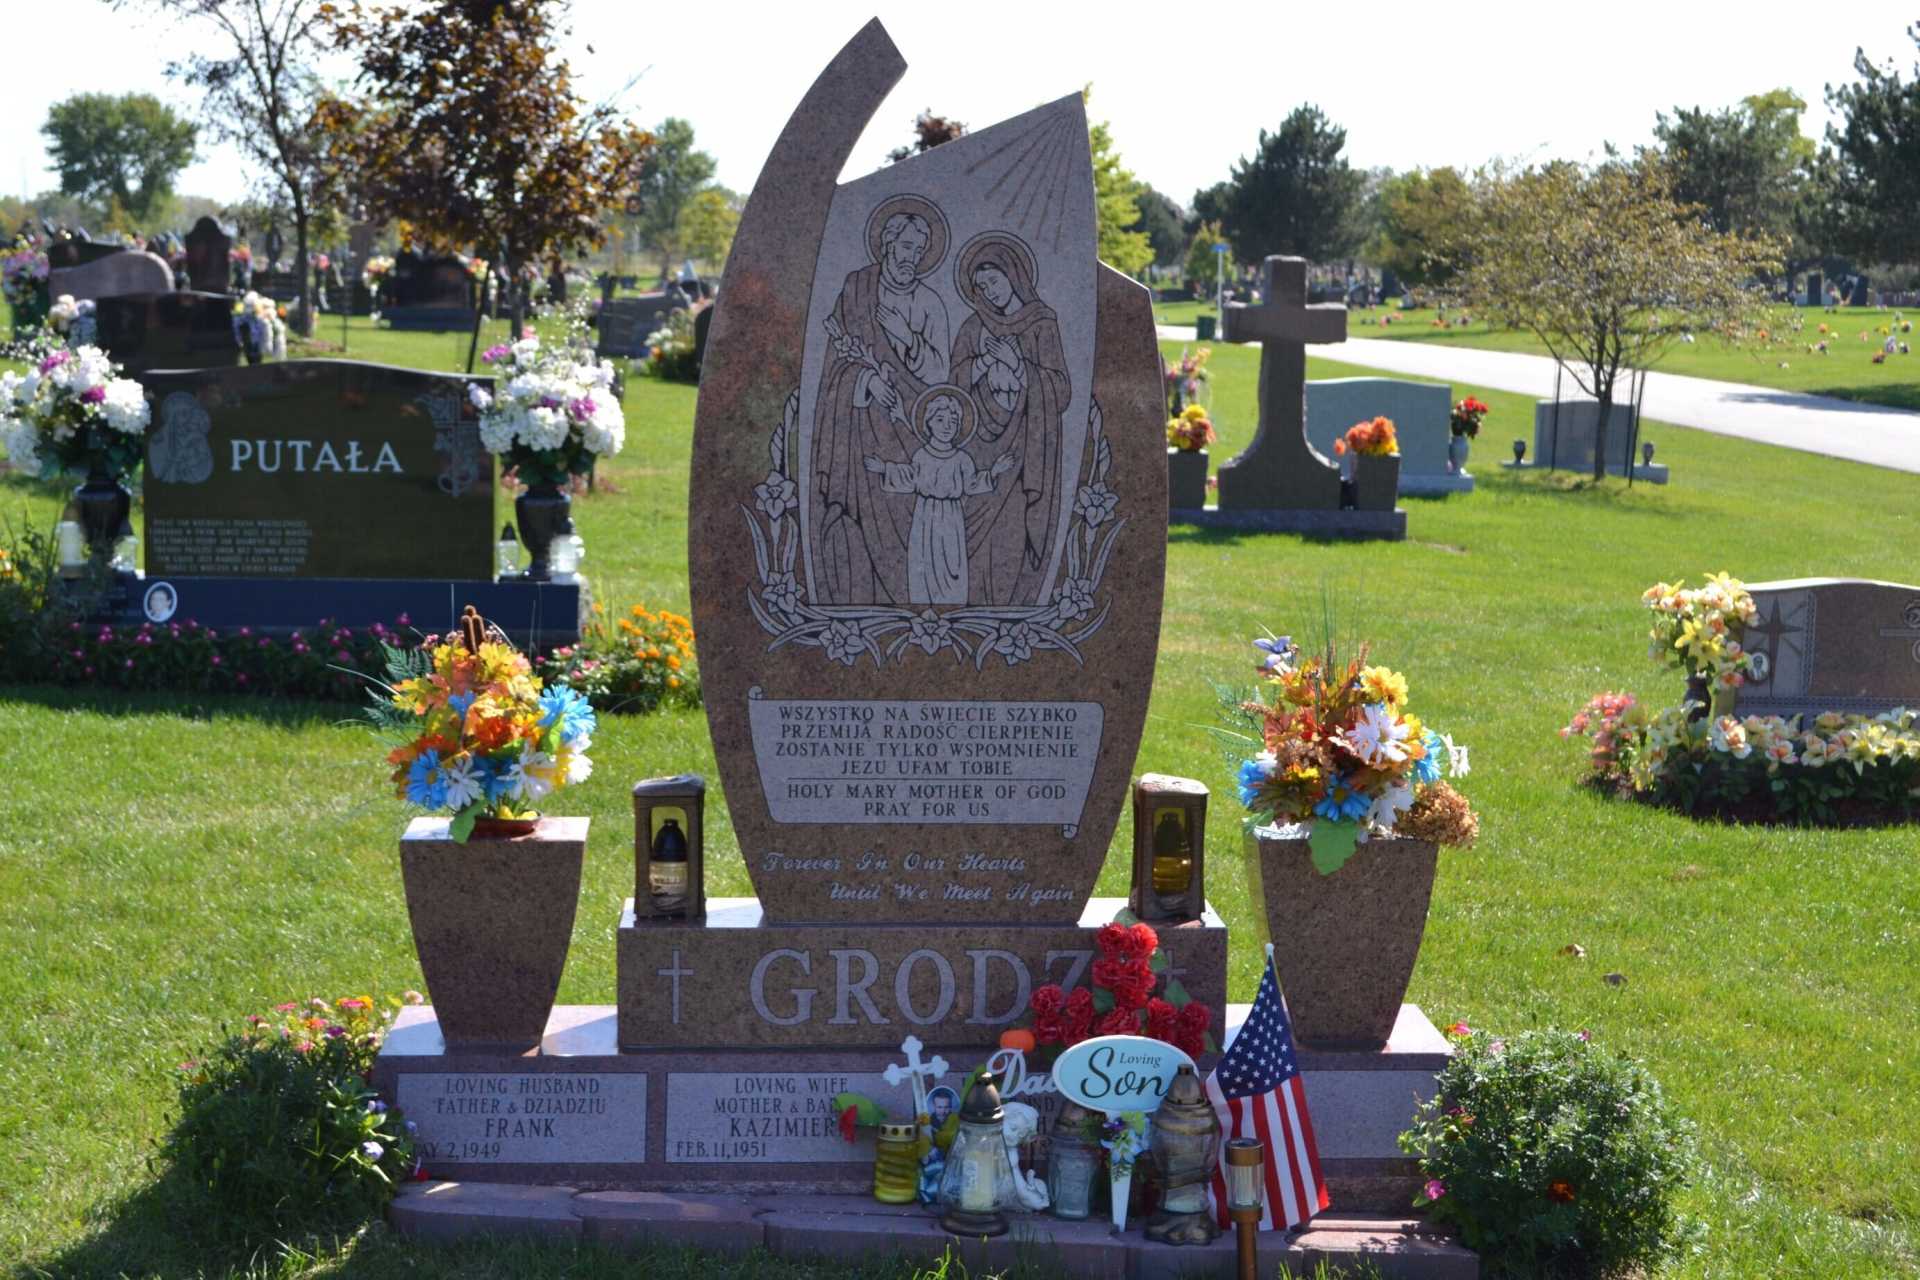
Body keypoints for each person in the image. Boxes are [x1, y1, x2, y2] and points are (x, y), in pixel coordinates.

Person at [810, 197, 953, 604]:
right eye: (906, 247)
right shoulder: (857, 288)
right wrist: (866, 381)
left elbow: (939, 374)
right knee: (851, 517)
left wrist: (907, 338)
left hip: (905, 426)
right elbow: (834, 360)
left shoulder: (930, 303)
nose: (913, 257)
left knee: (901, 516)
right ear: (888, 245)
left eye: (919, 250)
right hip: (855, 427)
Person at [949, 232, 1069, 606]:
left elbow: (1061, 390)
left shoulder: (1041, 324)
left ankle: (1011, 603)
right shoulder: (973, 326)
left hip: (1024, 446)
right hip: (978, 444)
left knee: (1012, 530)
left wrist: (1018, 365)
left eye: (995, 280)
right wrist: (984, 362)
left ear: (1014, 274)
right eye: (981, 286)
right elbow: (954, 382)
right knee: (974, 536)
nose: (989, 291)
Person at [864, 387, 1014, 605]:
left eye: (952, 422)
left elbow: (971, 484)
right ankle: (923, 605)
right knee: (924, 561)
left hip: (951, 517)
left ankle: (951, 605)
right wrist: (885, 468)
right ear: (929, 423)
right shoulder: (922, 456)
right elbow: (911, 478)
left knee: (951, 564)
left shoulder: (962, 458)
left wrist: (994, 472)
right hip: (925, 516)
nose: (947, 426)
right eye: (941, 419)